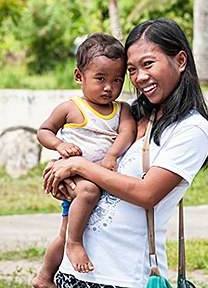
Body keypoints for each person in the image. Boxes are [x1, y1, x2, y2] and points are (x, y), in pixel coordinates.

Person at [42, 18, 208, 288]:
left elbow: (147, 194)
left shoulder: (191, 128)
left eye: (148, 64)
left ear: (180, 61)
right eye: (132, 69)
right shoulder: (128, 112)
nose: (139, 77)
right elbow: (80, 145)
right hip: (74, 270)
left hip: (123, 277)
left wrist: (79, 167)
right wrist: (62, 174)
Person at [32, 33, 136, 288]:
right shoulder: (71, 107)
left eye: (117, 80)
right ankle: (74, 245)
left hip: (102, 175)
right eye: (100, 79)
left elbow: (128, 133)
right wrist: (60, 144)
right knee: (86, 194)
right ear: (79, 76)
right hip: (76, 177)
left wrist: (112, 155)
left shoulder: (122, 109)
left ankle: (44, 278)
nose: (108, 87)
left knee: (64, 231)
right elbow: (44, 131)